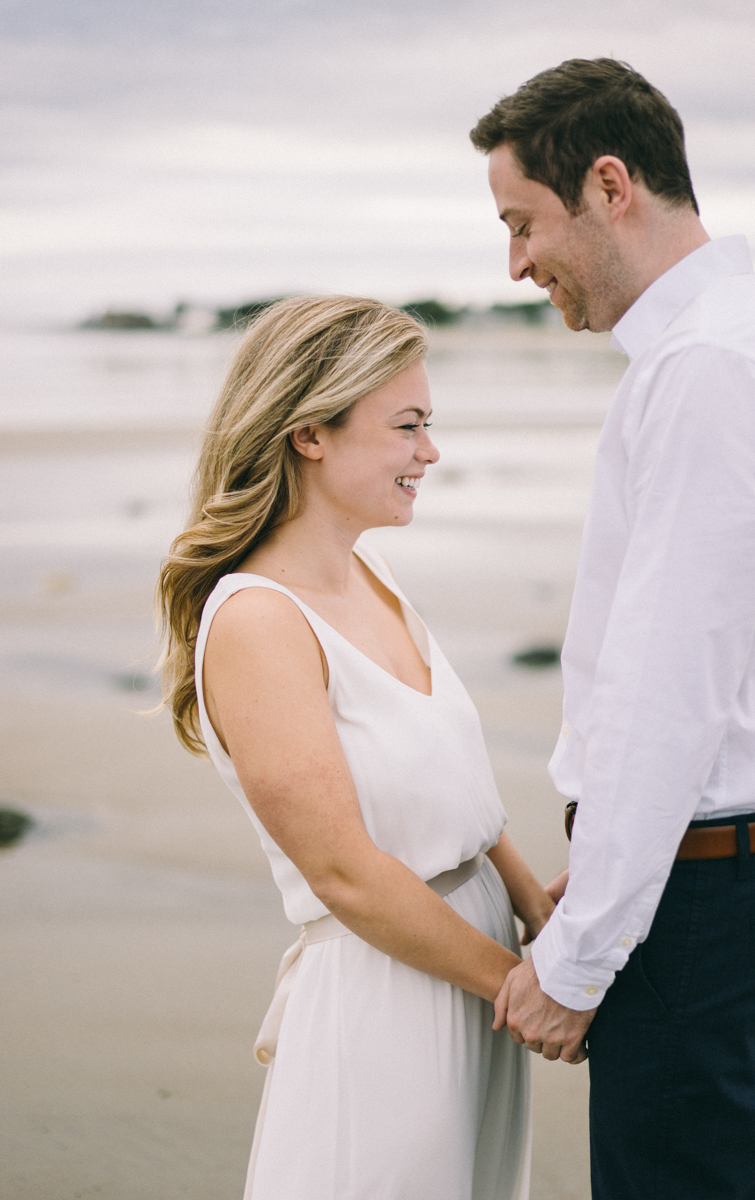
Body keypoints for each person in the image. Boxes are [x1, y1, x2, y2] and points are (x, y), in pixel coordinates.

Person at [471, 58, 755, 1200]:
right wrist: (613, 860)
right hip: (721, 867)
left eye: (522, 222)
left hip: (702, 893)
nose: (515, 262)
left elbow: (673, 689)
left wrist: (581, 952)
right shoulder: (753, 335)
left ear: (609, 185)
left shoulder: (709, 367)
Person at [156, 295, 563, 1200]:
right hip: (391, 1000)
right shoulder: (259, 621)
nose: (431, 453)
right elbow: (341, 870)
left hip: (467, 972)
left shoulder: (368, 574)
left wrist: (538, 910)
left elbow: (460, 789)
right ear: (310, 433)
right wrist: (520, 989)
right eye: (408, 426)